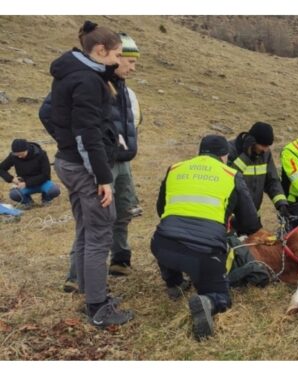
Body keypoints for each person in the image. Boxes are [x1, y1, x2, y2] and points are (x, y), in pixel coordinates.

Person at [47, 21, 133, 328]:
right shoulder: (86, 81)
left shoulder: (72, 73)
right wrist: (103, 178)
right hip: (84, 169)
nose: (118, 61)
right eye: (117, 54)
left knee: (86, 228)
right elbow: (88, 135)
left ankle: (88, 290)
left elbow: (52, 115)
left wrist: (64, 141)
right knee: (100, 233)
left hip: (67, 162)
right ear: (100, 50)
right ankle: (97, 306)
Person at [151, 135, 262, 340]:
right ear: (224, 156)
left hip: (162, 244)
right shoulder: (231, 175)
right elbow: (250, 222)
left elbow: (161, 209)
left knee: (167, 237)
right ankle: (209, 301)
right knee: (222, 298)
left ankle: (174, 283)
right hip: (206, 252)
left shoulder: (175, 168)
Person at [228, 121, 289, 222]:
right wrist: (247, 156)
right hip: (232, 217)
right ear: (252, 141)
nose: (265, 150)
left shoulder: (265, 154)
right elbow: (229, 177)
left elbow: (272, 180)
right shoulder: (230, 150)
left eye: (268, 146)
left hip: (254, 216)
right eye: (263, 146)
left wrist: (281, 203)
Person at [0, 139, 61, 208]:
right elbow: (1, 169)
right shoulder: (13, 156)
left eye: (22, 154)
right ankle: (28, 202)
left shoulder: (41, 154)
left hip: (42, 182)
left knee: (54, 190)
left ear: (27, 149)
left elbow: (45, 175)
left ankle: (46, 199)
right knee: (14, 194)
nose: (19, 157)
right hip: (24, 185)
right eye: (17, 155)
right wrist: (11, 178)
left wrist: (27, 183)